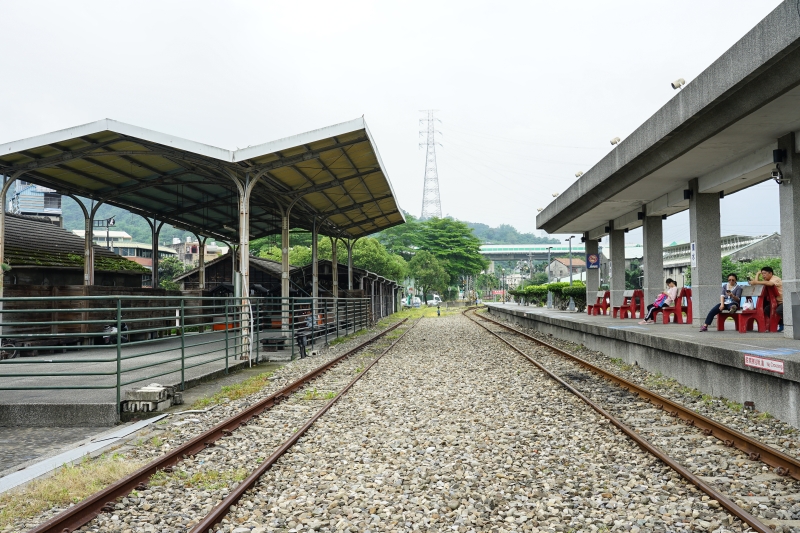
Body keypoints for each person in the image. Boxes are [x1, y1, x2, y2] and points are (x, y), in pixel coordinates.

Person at [748, 266, 784, 332]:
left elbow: (770, 284)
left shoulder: (775, 278)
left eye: (764, 273)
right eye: (762, 274)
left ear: (770, 273)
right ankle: (781, 324)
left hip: (784, 302)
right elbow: (756, 284)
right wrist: (757, 274)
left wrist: (756, 282)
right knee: (767, 310)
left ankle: (788, 324)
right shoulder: (766, 281)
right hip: (776, 303)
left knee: (779, 310)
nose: (763, 275)